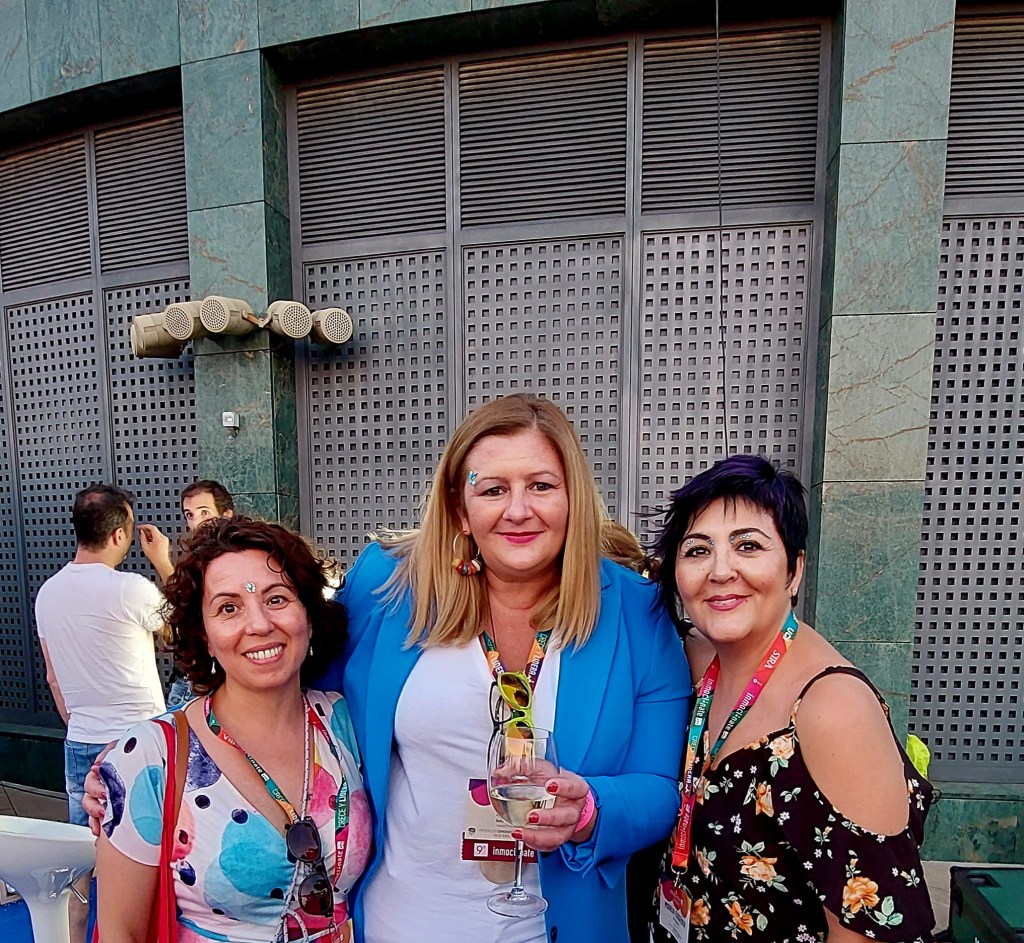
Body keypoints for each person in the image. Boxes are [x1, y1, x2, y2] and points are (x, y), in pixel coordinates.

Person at [317, 392, 690, 943]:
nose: (518, 510)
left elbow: (659, 788)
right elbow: (314, 721)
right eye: (492, 489)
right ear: (459, 509)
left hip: (565, 926)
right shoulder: (385, 587)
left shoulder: (636, 612)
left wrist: (591, 811)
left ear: (573, 497)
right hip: (404, 922)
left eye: (541, 485)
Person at [649, 454, 935, 943]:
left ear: (794, 570)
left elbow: (869, 930)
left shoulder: (832, 707)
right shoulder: (696, 665)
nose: (720, 570)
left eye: (748, 545)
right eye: (697, 550)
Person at [95, 517, 369, 943]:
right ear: (203, 635)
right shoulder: (151, 755)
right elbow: (121, 931)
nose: (258, 624)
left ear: (309, 614)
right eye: (228, 608)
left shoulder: (347, 724)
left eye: (277, 598)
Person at [34, 484, 171, 943]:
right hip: (139, 742)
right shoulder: (132, 589)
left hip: (81, 740)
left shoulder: (48, 594)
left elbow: (53, 678)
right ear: (118, 535)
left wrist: (79, 723)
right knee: (147, 862)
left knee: (82, 865)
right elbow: (183, 631)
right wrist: (163, 562)